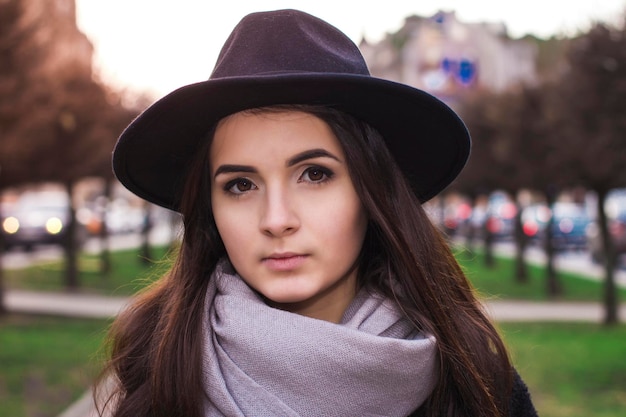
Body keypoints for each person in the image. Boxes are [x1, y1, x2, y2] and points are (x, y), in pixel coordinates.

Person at [97, 9, 538, 417]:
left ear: (371, 190)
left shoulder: (475, 384)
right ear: (209, 208)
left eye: (314, 174)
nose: (276, 219)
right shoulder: (156, 375)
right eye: (240, 185)